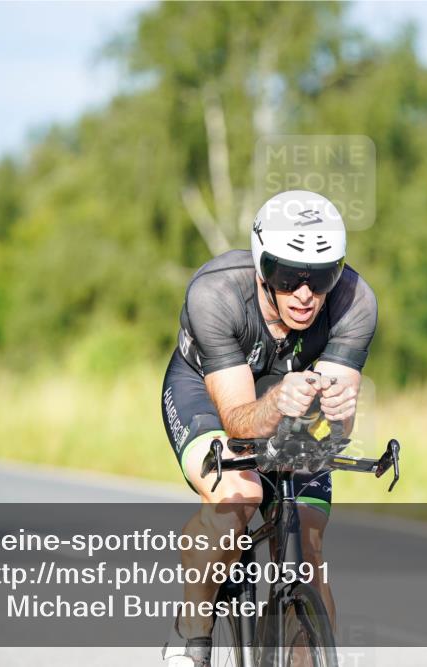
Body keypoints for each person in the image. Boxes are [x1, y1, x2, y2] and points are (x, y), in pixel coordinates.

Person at [160, 190, 377, 666]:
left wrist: (337, 414)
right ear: (262, 267)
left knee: (309, 539)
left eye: (321, 277)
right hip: (209, 393)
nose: (305, 293)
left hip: (289, 396)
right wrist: (278, 399)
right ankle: (191, 635)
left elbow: (334, 430)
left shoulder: (354, 302)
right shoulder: (216, 292)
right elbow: (239, 420)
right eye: (287, 275)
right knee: (239, 494)